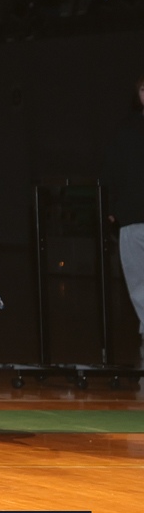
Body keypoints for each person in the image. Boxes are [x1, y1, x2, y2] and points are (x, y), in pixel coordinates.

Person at [101, 75, 144, 360]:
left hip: (131, 216)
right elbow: (111, 169)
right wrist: (111, 208)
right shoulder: (126, 129)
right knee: (138, 283)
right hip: (132, 217)